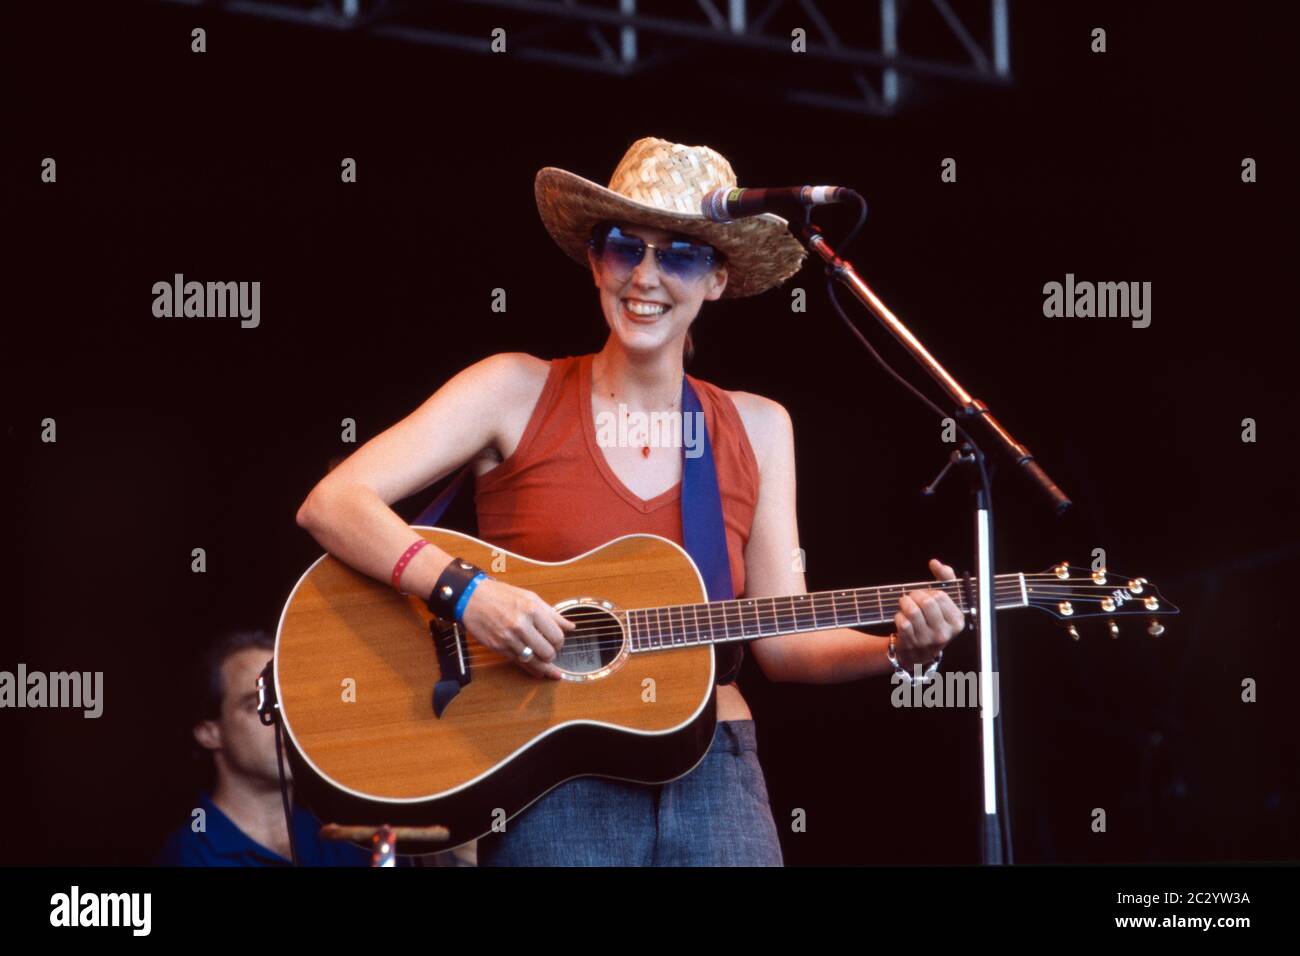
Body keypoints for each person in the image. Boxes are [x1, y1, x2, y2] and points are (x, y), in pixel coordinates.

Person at [294, 137, 966, 866]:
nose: (646, 275)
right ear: (595, 261)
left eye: (679, 253)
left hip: (717, 765)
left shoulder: (759, 426)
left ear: (716, 279)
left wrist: (901, 649)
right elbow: (333, 502)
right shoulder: (514, 389)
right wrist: (468, 594)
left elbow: (782, 642)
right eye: (625, 247)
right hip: (551, 773)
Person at [155, 629, 372, 866]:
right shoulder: (188, 857)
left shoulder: (343, 838)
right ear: (209, 734)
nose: (284, 721)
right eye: (256, 704)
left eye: (290, 702)